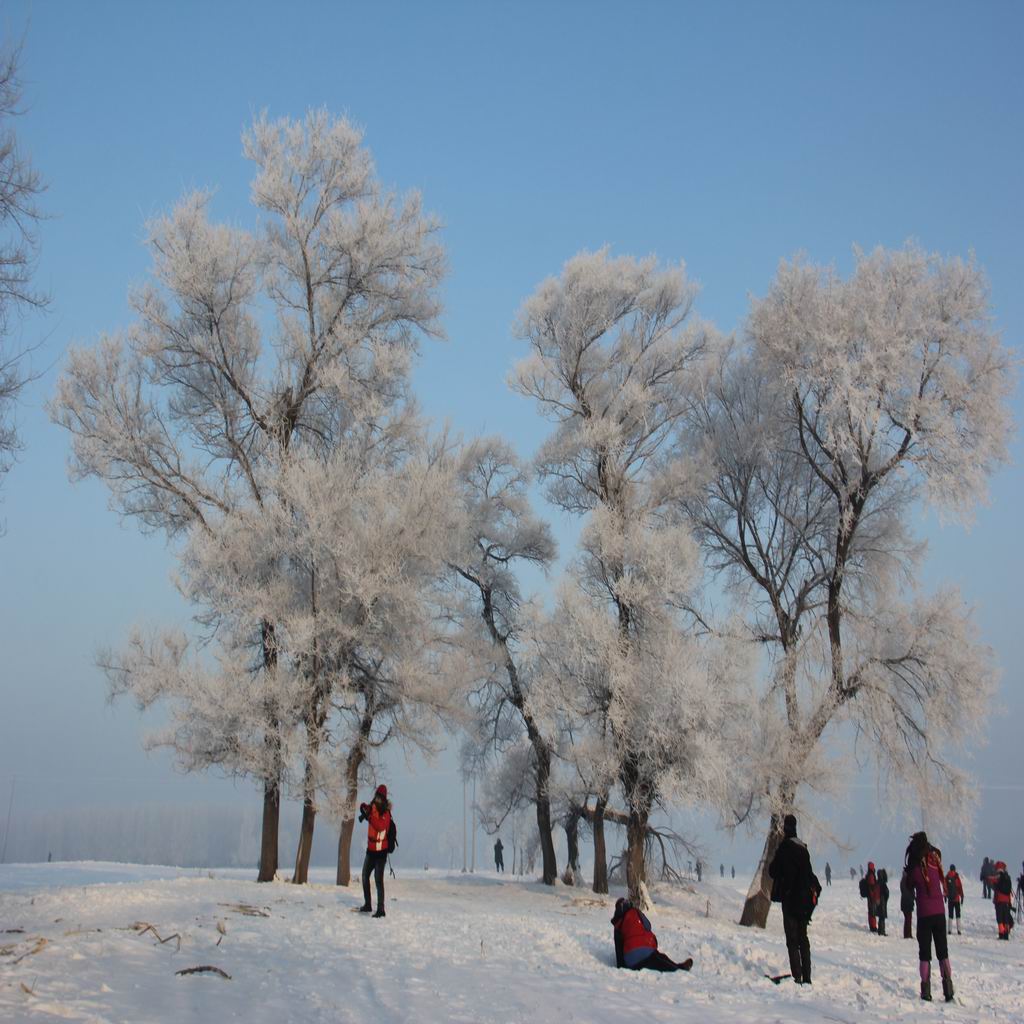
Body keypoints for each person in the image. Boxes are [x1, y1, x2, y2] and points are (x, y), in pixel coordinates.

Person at [768, 814, 821, 986]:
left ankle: (797, 977)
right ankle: (807, 977)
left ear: (785, 828)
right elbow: (808, 873)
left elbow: (773, 871)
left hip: (790, 899)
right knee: (803, 938)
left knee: (792, 940)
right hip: (804, 900)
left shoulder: (784, 848)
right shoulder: (803, 848)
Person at [906, 831, 954, 1002]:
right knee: (943, 952)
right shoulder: (935, 862)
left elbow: (908, 885)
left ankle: (926, 990)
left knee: (924, 953)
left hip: (924, 915)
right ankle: (948, 988)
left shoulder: (915, 867)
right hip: (940, 913)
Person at [611, 898, 693, 972]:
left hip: (631, 959)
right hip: (645, 952)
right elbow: (648, 926)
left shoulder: (618, 923)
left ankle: (679, 967)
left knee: (657, 958)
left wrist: (621, 966)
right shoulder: (636, 912)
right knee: (658, 959)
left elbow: (618, 948)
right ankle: (679, 970)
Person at [358, 784, 392, 918]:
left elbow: (380, 826)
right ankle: (368, 904)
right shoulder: (372, 809)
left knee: (378, 880)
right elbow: (364, 807)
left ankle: (381, 909)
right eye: (376, 797)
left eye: (380, 798)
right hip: (370, 850)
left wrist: (370, 816)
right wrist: (364, 808)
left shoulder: (386, 813)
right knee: (365, 876)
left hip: (381, 852)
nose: (377, 800)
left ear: (384, 799)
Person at [985, 860, 1014, 940]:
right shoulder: (1007, 877)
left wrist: (987, 877)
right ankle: (1006, 934)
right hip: (1007, 901)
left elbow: (991, 879)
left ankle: (1001, 934)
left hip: (999, 901)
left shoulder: (998, 877)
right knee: (1006, 918)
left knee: (1000, 918)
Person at [861, 862, 881, 933]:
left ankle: (872, 926)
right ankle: (873, 926)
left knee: (871, 911)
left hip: (870, 896)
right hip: (871, 897)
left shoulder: (869, 874)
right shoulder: (871, 875)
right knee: (872, 911)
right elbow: (872, 886)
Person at [945, 864, 964, 936]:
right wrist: (962, 896)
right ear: (955, 869)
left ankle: (949, 930)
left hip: (950, 899)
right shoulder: (956, 877)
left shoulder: (947, 877)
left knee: (950, 914)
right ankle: (959, 930)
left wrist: (945, 896)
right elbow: (960, 887)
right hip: (956, 899)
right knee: (958, 914)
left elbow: (945, 887)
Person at [899, 865, 916, 939]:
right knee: (908, 919)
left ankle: (907, 934)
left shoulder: (902, 880)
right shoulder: (907, 880)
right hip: (907, 901)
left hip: (904, 901)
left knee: (907, 919)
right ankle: (908, 934)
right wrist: (913, 897)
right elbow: (910, 891)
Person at [877, 869, 890, 936]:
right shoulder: (883, 883)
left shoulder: (878, 882)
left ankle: (880, 930)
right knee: (882, 917)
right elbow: (886, 893)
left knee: (880, 916)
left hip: (879, 901)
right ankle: (882, 931)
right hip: (882, 901)